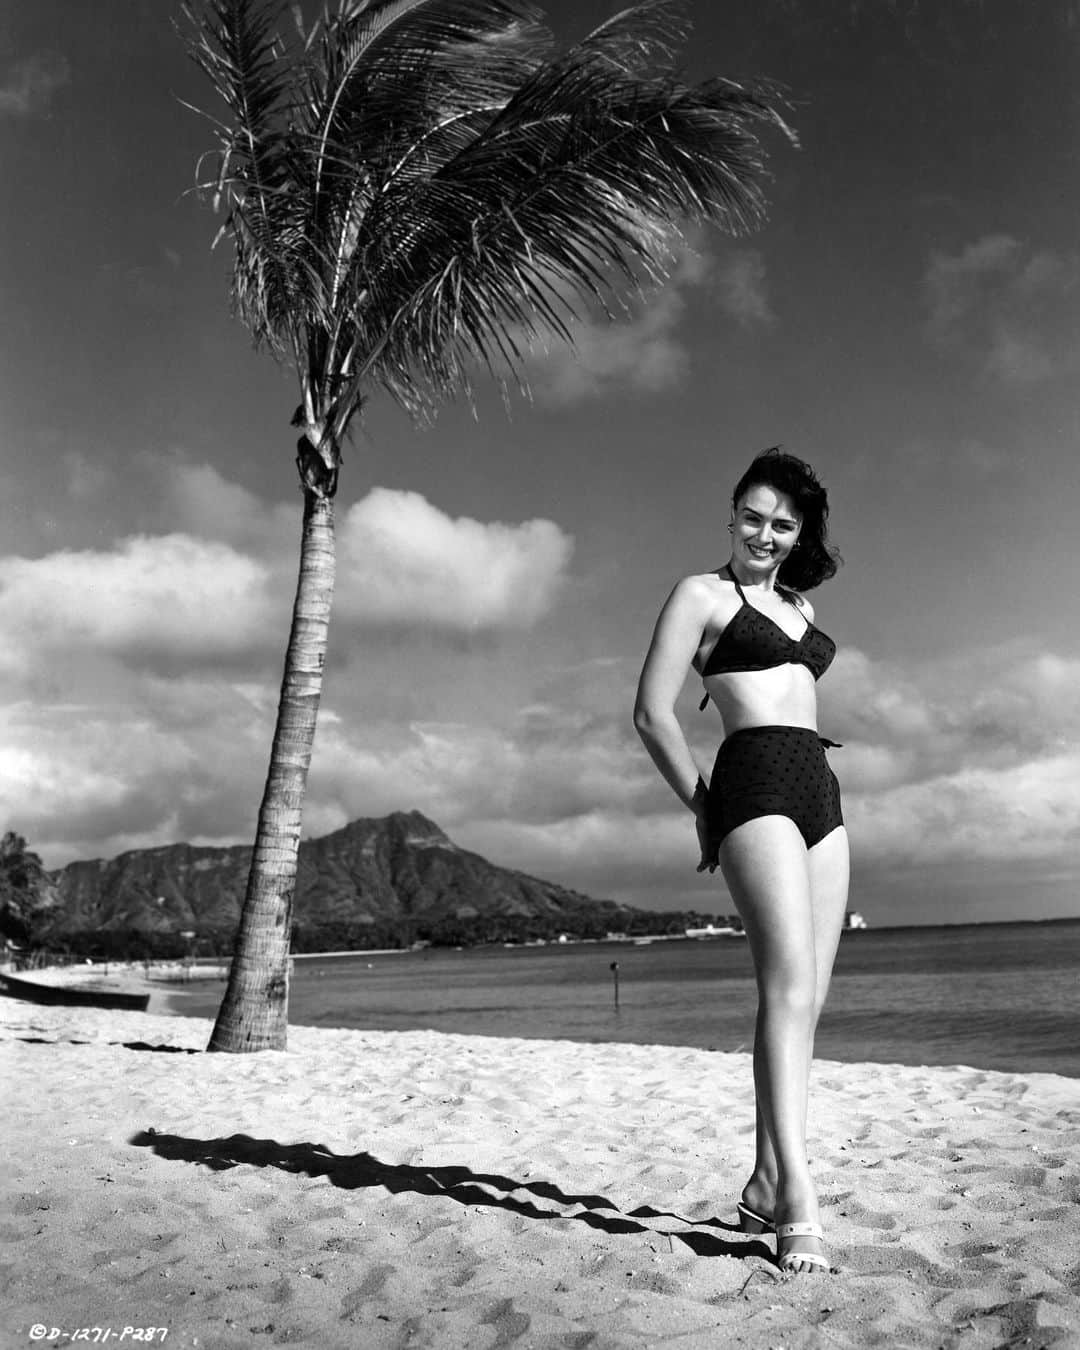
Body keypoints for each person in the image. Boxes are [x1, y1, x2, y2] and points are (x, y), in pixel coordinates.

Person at [633, 448, 847, 1276]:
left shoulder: (797, 600)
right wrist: (705, 805)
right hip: (752, 780)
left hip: (820, 788)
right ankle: (798, 1200)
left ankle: (762, 1176)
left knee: (813, 996)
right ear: (731, 514)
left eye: (782, 524)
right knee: (785, 990)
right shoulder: (699, 594)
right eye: (753, 516)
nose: (764, 533)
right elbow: (652, 713)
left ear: (799, 535)